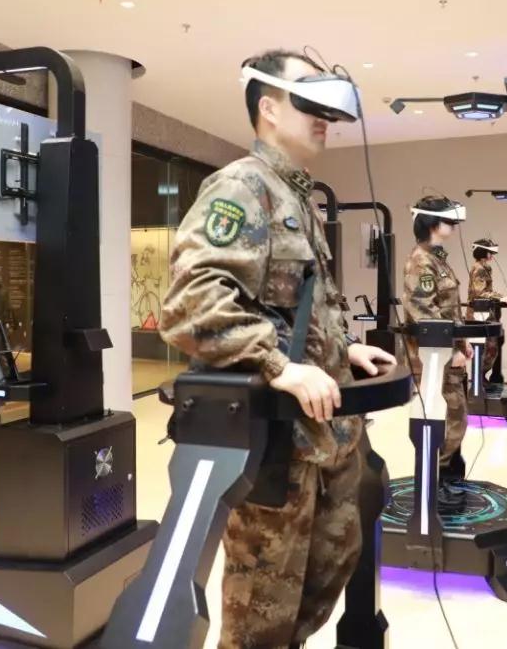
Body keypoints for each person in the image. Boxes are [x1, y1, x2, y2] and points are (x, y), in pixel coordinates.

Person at [157, 49, 395, 649]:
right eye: (306, 99)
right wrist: (278, 364)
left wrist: (342, 351)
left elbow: (294, 304)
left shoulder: (296, 198)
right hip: (276, 448)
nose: (323, 117)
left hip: (323, 440)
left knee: (311, 596)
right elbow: (190, 305)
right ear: (268, 107)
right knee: (261, 619)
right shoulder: (242, 187)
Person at [401, 195, 472, 506]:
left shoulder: (438, 259)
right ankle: (434, 483)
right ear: (431, 223)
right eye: (448, 220)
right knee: (446, 420)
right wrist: (450, 350)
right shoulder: (422, 261)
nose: (453, 225)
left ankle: (446, 477)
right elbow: (424, 314)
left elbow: (448, 309)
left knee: (456, 418)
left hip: (445, 355)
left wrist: (462, 341)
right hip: (432, 359)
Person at [465, 238, 507, 392]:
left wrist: (502, 297)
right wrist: (500, 298)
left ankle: (480, 378)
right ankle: (479, 379)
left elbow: (488, 291)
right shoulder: (479, 268)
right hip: (479, 315)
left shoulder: (484, 267)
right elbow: (480, 293)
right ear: (483, 253)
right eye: (489, 252)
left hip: (486, 313)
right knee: (488, 349)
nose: (491, 255)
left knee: (491, 347)